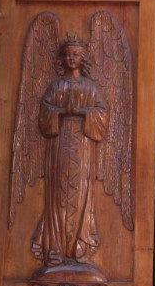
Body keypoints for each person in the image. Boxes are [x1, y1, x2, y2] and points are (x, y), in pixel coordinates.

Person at [31, 35, 109, 268]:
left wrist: (85, 113)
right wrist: (60, 112)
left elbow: (102, 115)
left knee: (81, 192)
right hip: (59, 147)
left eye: (76, 54)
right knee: (58, 195)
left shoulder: (89, 87)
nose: (71, 58)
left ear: (82, 58)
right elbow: (44, 114)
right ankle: (55, 249)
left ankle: (79, 247)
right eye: (68, 54)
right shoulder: (56, 86)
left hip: (83, 148)